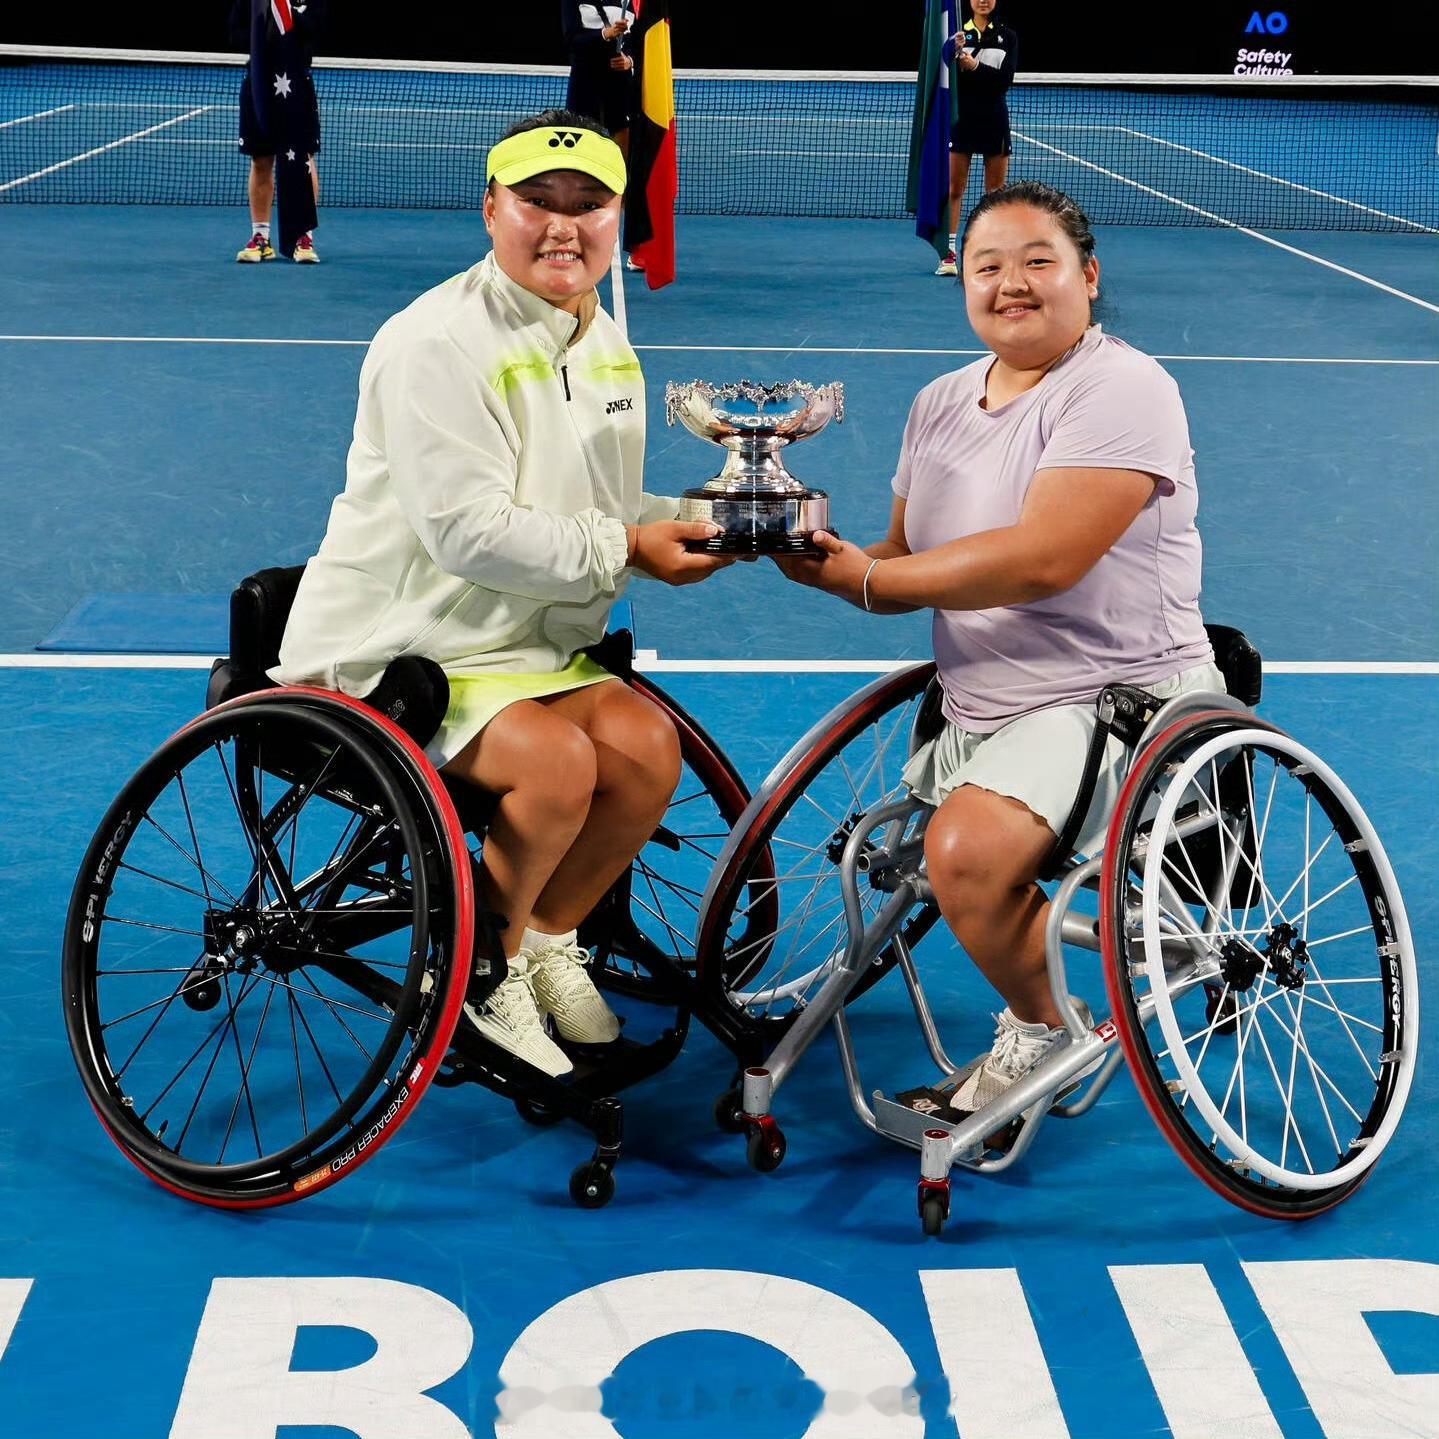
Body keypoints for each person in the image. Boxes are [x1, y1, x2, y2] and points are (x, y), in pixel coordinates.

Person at [272, 110, 732, 1076]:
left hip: (520, 645)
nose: (563, 225)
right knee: (557, 767)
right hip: (401, 645)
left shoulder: (600, 339)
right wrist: (630, 547)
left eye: (587, 204)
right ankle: (483, 969)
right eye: (537, 201)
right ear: (490, 211)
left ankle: (546, 939)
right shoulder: (436, 341)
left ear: (617, 218)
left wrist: (712, 517)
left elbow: (601, 505)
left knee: (648, 749)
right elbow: (468, 531)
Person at [775, 181, 1224, 1119]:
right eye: (986, 266)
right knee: (939, 853)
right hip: (976, 706)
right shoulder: (940, 400)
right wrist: (807, 552)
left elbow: (1044, 559)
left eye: (1036, 261)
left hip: (1114, 702)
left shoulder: (1124, 387)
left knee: (965, 854)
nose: (1009, 283)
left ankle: (1043, 1027)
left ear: (1087, 277)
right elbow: (905, 557)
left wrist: (870, 579)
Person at [230, 0, 324, 263]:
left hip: (297, 85)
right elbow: (235, 33)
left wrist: (287, 19)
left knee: (302, 159)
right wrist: (263, 34)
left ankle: (303, 237)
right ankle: (260, 238)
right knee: (260, 160)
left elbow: (317, 29)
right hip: (259, 84)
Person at [935, 0, 1018, 277]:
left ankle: (990, 253)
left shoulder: (1007, 36)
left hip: (995, 121)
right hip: (963, 121)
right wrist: (951, 52)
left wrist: (974, 67)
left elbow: (1005, 80)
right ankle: (949, 254)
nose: (983, 1)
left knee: (995, 193)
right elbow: (945, 76)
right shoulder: (957, 35)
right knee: (954, 189)